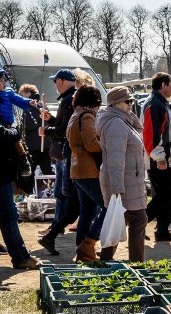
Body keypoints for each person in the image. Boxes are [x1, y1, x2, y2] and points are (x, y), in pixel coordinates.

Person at [96, 87, 148, 262]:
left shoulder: (121, 121)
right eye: (127, 101)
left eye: (131, 101)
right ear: (115, 103)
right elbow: (115, 158)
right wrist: (117, 189)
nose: (130, 104)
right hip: (124, 183)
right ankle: (137, 265)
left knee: (118, 224)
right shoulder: (116, 124)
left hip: (129, 182)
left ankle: (105, 264)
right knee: (136, 221)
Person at [0, 81, 40, 270]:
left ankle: (20, 257)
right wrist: (14, 131)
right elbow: (0, 133)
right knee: (8, 215)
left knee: (7, 215)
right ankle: (21, 258)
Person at [38, 69, 79, 257]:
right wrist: (51, 121)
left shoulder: (69, 100)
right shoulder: (69, 99)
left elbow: (64, 130)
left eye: (56, 81)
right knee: (69, 200)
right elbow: (64, 128)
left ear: (62, 81)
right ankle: (56, 231)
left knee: (68, 200)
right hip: (66, 155)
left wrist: (47, 130)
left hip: (66, 154)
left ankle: (55, 230)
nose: (55, 84)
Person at [67, 86, 108, 262]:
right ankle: (88, 244)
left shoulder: (75, 114)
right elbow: (91, 144)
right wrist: (108, 147)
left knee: (87, 211)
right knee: (108, 207)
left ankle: (82, 248)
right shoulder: (87, 116)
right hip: (89, 170)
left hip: (77, 169)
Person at [141, 72, 171, 241]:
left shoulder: (161, 104)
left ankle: (162, 230)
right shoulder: (154, 104)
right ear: (163, 85)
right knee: (167, 195)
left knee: (165, 196)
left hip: (166, 158)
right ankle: (139, 223)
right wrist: (159, 157)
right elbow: (151, 134)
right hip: (159, 159)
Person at [19, 84, 51, 175]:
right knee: (47, 171)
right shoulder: (42, 104)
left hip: (34, 145)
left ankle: (30, 189)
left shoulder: (30, 106)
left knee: (30, 172)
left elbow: (29, 124)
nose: (21, 98)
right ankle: (51, 188)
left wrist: (20, 129)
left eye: (22, 95)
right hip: (46, 144)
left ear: (28, 93)